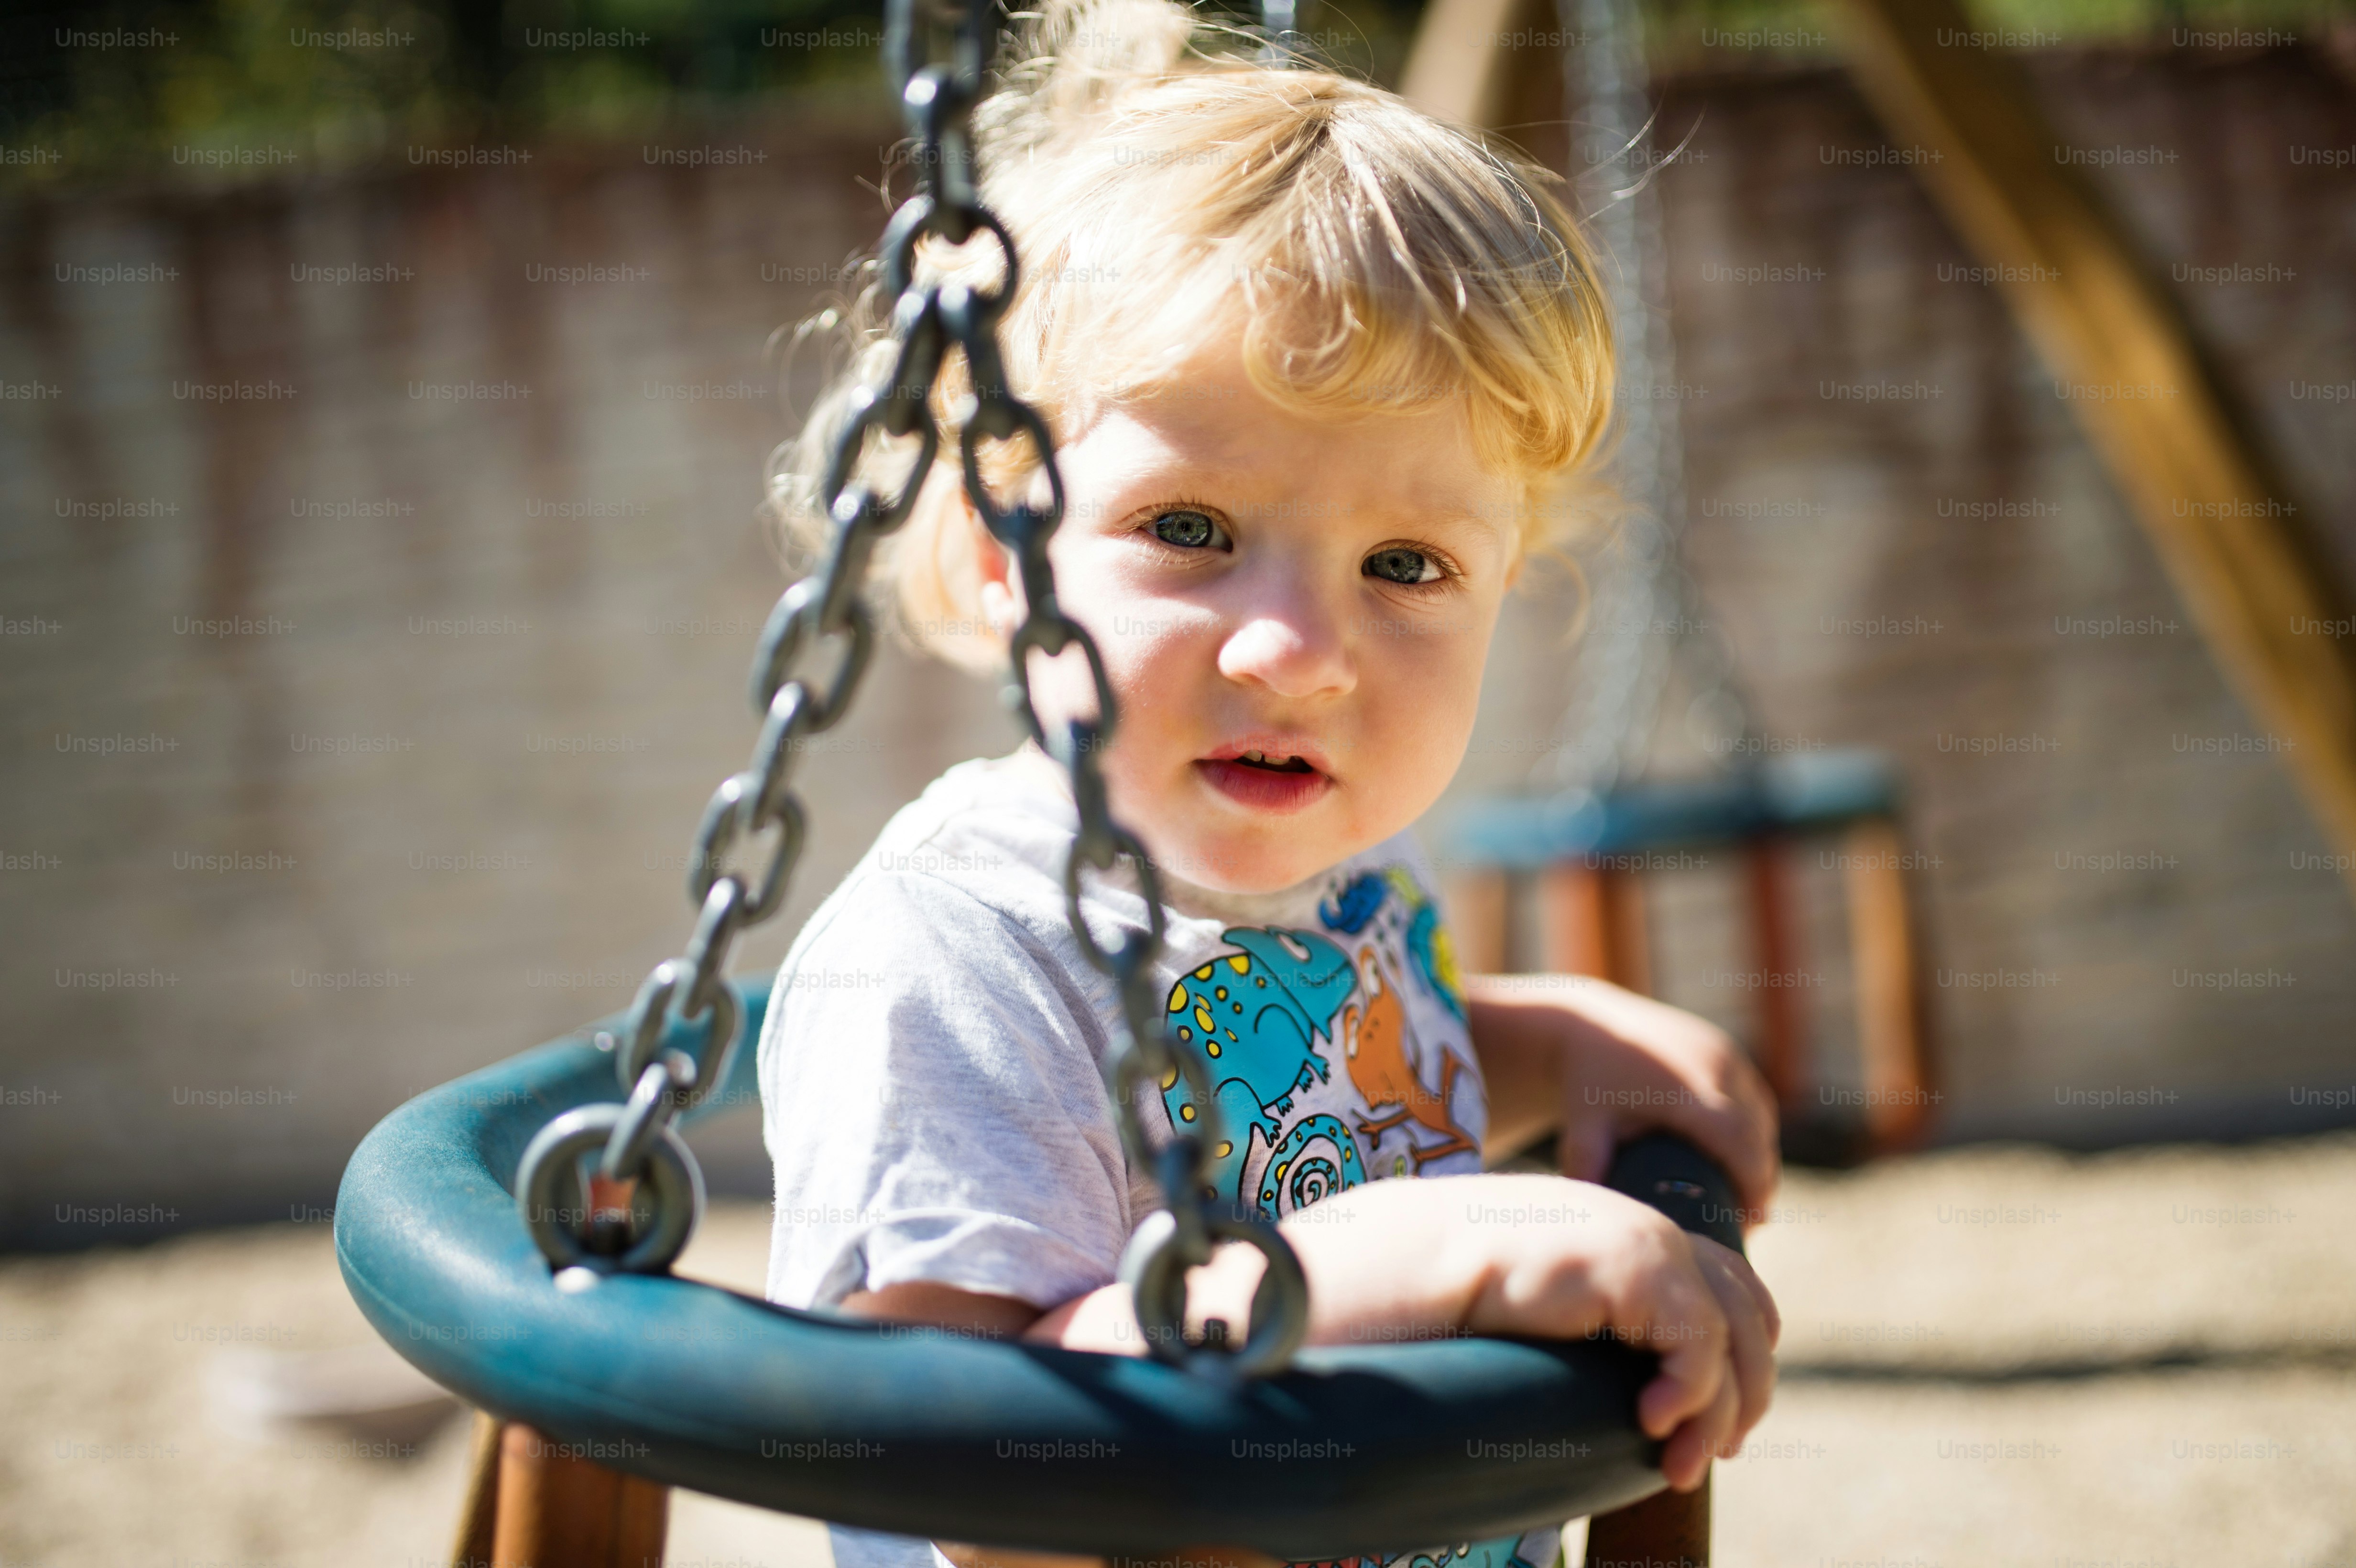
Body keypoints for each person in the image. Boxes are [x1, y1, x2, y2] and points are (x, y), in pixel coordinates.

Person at [759, 4, 1782, 1565]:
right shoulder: (954, 968)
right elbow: (988, 1483)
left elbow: (1337, 1085)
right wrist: (1413, 1257)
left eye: (1406, 564)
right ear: (992, 553)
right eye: (1190, 530)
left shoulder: (1342, 864)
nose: (1301, 656)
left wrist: (1544, 1042)